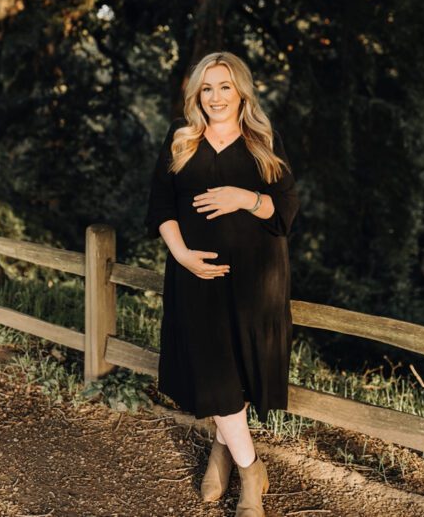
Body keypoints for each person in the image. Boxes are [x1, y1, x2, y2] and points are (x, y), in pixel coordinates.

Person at [145, 51, 299, 517]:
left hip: (256, 281)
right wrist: (181, 255)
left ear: (241, 92)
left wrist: (244, 197)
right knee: (213, 369)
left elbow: (285, 211)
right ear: (196, 94)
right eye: (206, 88)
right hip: (196, 277)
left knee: (235, 372)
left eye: (225, 87)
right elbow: (160, 205)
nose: (215, 97)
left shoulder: (262, 140)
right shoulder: (181, 137)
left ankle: (223, 448)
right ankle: (252, 470)